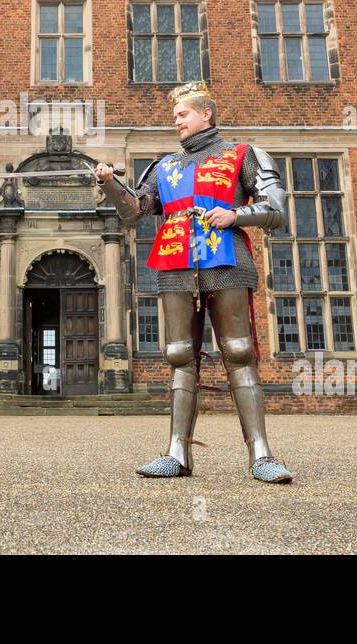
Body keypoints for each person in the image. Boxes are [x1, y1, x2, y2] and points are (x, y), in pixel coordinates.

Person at [96, 81, 294, 483]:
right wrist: (110, 183)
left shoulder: (243, 154)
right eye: (174, 117)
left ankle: (261, 454)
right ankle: (176, 453)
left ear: (206, 113)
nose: (177, 122)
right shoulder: (163, 166)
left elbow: (277, 207)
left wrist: (236, 215)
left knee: (238, 352)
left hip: (225, 257)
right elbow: (135, 212)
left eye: (183, 115)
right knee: (179, 355)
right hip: (175, 260)